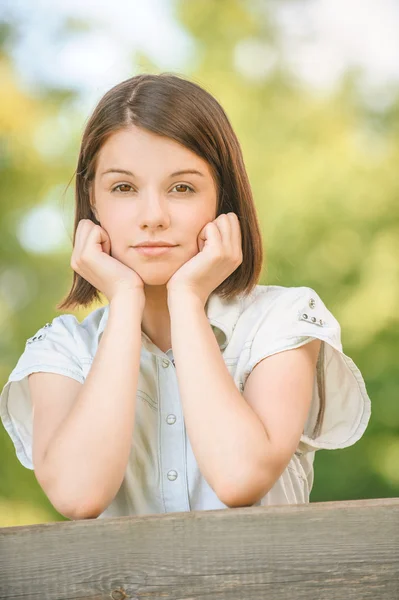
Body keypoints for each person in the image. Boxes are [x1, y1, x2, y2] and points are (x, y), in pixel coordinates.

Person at [0, 73, 371, 520]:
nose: (153, 216)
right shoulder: (61, 349)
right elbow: (79, 496)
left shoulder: (284, 321)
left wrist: (186, 300)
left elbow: (239, 478)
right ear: (92, 201)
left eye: (182, 188)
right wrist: (124, 298)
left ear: (222, 199)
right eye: (123, 188)